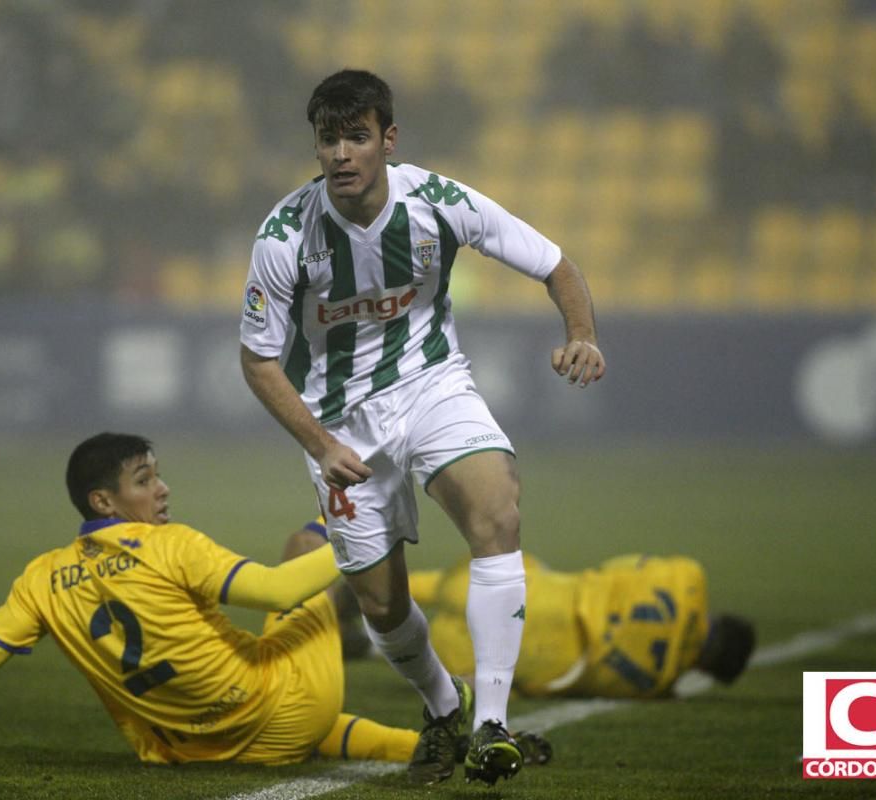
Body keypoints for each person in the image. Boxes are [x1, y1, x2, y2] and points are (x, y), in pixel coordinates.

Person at [239, 68, 606, 786]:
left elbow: (557, 264)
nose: (341, 154)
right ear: (315, 148)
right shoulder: (285, 236)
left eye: (356, 137)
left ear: (387, 140)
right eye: (327, 140)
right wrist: (321, 443)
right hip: (340, 422)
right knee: (380, 600)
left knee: (495, 508)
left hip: (432, 386)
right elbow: (257, 363)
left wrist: (583, 332)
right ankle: (446, 706)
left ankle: (492, 725)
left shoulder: (437, 201)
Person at [0, 433, 424, 765]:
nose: (163, 489)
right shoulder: (170, 545)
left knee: (297, 704)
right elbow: (280, 588)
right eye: (144, 480)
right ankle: (406, 663)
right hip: (285, 711)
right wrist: (372, 527)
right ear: (103, 502)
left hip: (202, 749)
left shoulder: (40, 579)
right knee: (306, 546)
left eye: (157, 474)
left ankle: (429, 742)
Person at [409, 553, 755, 698]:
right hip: (540, 659)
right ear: (707, 669)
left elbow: (617, 566)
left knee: (449, 587)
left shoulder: (687, 576)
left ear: (720, 618)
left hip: (549, 596)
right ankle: (366, 640)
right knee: (424, 644)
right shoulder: (655, 684)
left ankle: (367, 588)